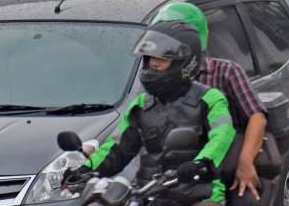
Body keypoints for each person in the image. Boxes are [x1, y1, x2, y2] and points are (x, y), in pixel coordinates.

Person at [79, 21, 236, 204]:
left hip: (199, 196)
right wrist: (85, 169)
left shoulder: (209, 99)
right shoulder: (141, 105)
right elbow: (117, 148)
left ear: (184, 62)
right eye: (150, 58)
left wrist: (201, 164)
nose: (153, 63)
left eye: (162, 58)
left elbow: (222, 136)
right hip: (148, 195)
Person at [152, 3, 268, 205]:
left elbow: (257, 117)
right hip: (173, 175)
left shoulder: (225, 71)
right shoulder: (156, 78)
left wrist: (245, 162)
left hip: (222, 169)